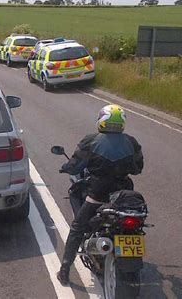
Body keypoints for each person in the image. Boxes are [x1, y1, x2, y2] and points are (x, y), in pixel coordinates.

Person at [56, 104, 144, 285]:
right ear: (122, 123)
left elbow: (75, 166)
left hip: (98, 193)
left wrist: (65, 168)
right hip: (124, 193)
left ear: (101, 121)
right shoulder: (132, 142)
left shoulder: (91, 141)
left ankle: (64, 270)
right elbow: (138, 168)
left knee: (78, 227)